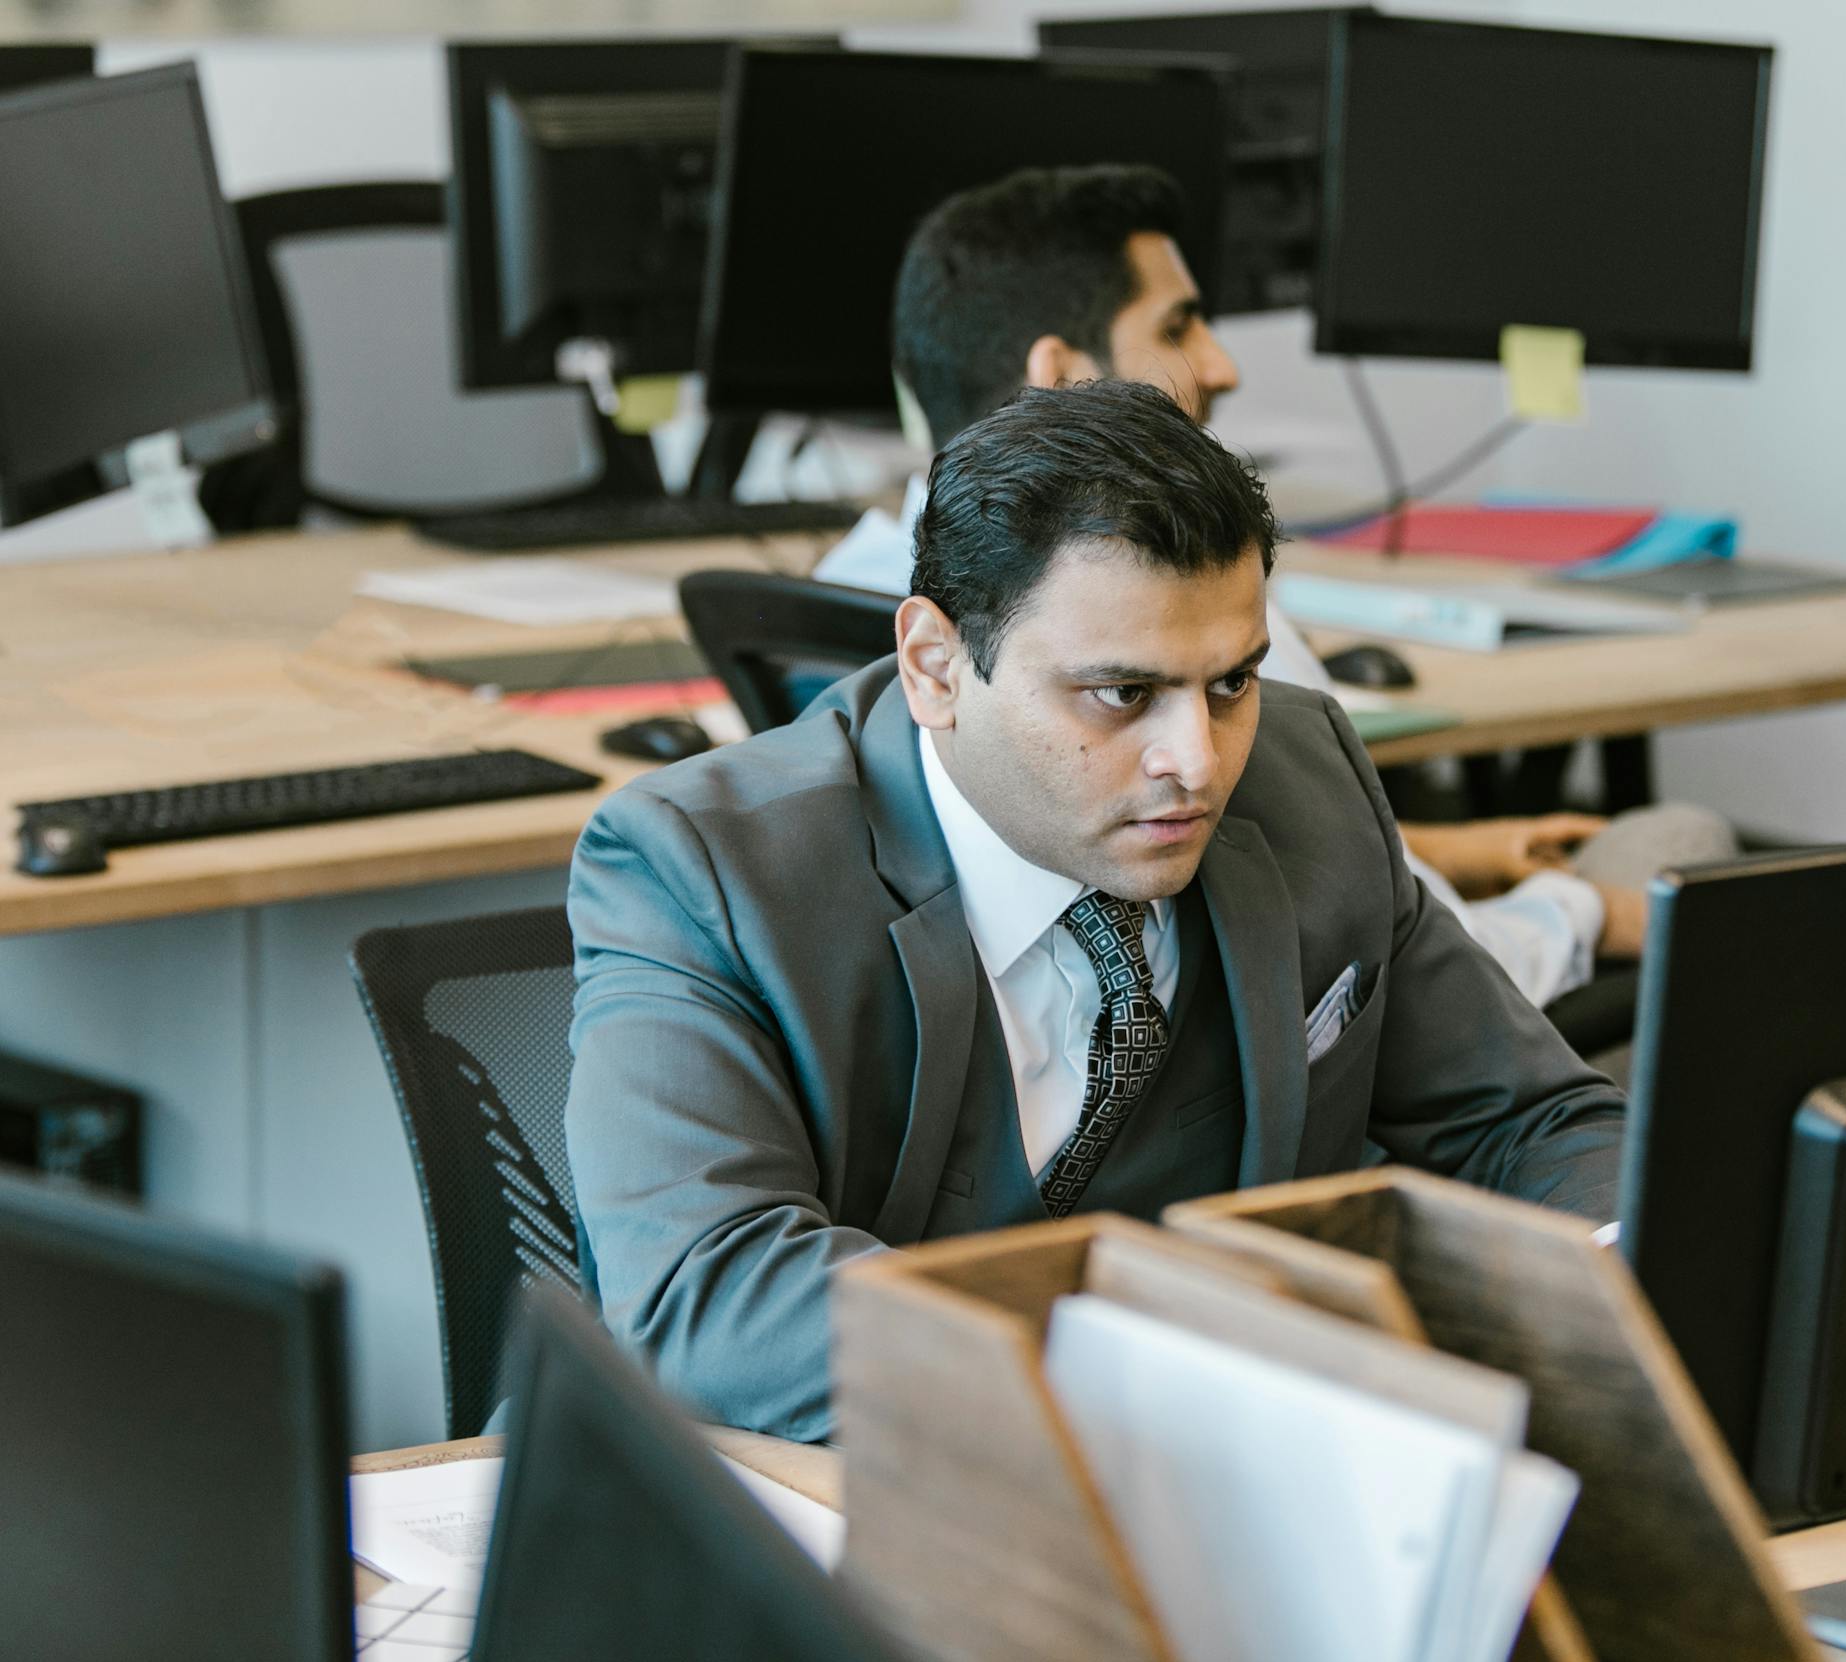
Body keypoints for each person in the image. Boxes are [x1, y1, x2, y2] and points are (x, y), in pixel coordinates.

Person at [567, 380, 1624, 1440]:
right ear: (936, 668)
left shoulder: (1307, 781)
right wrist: (1179, 1373)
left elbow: (1529, 1122)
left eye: (1231, 684)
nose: (1197, 764)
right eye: (1121, 694)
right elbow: (715, 1298)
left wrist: (1624, 1269)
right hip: (823, 1499)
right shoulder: (701, 868)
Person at [816, 165, 1732, 1008]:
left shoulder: (853, 579)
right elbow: (1411, 976)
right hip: (1301, 1048)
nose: (1223, 365)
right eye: (1177, 327)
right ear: (1061, 377)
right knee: (1685, 845)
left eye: (1229, 689)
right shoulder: (1201, 614)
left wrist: (1438, 853)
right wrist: (1588, 915)